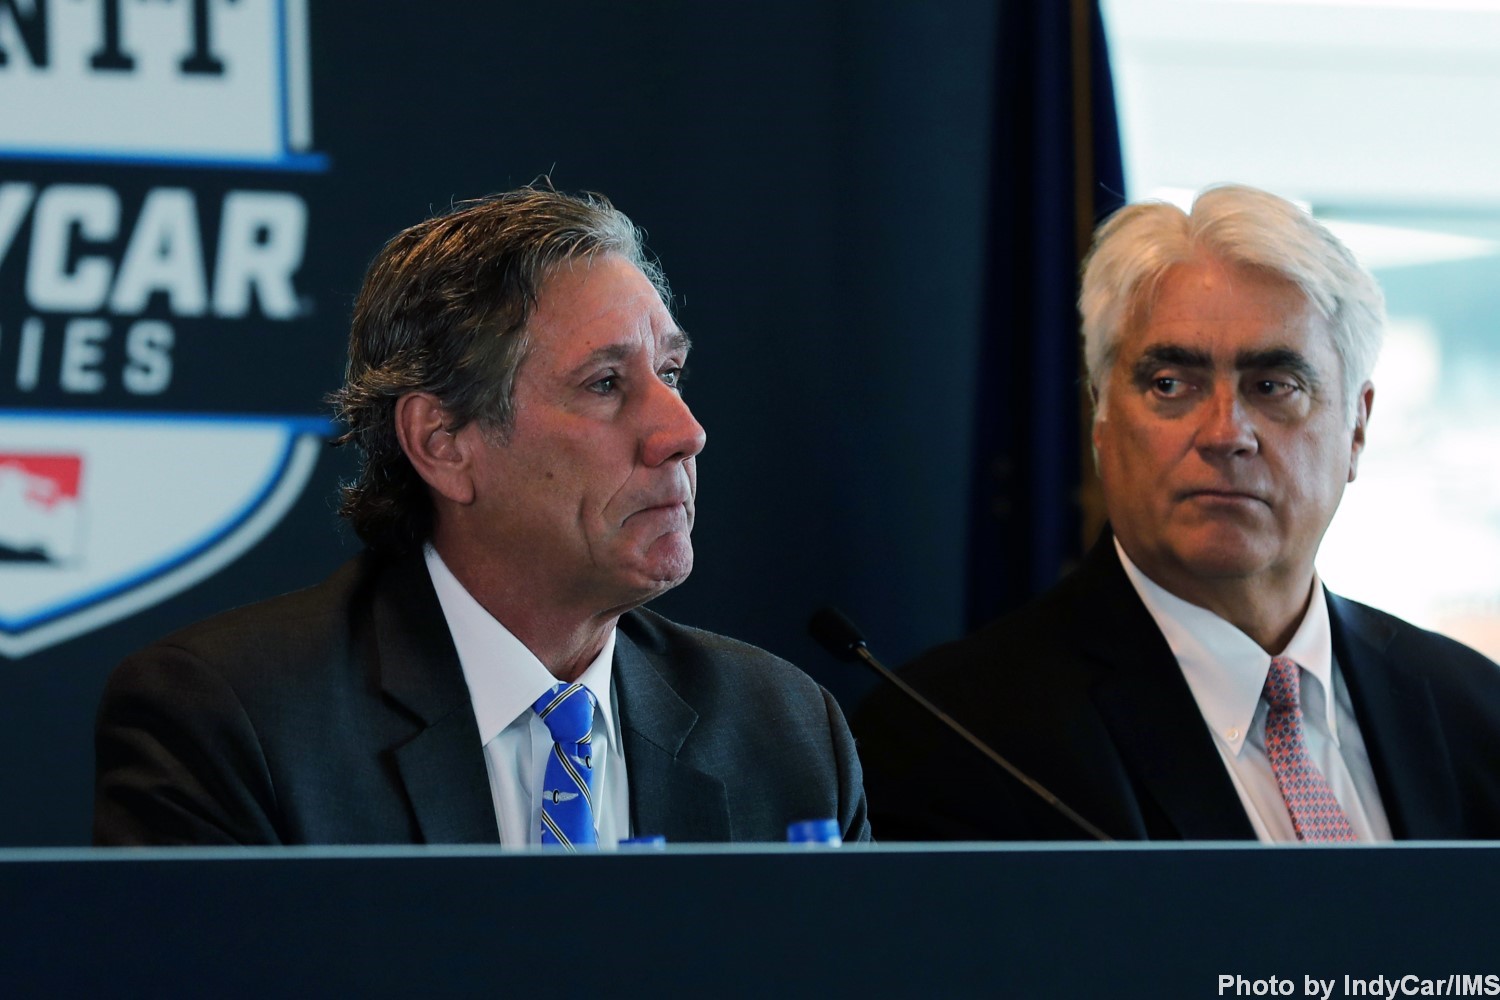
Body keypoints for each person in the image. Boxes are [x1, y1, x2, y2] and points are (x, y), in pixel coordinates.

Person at [94, 187, 869, 847]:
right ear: (444, 444)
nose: (683, 432)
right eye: (605, 383)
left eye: (670, 371)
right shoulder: (242, 726)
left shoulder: (785, 734)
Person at [855, 184, 1500, 842]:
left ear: (1357, 428)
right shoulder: (954, 734)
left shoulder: (1478, 712)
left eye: (1273, 386)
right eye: (1171, 385)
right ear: (1101, 418)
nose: (1225, 433)